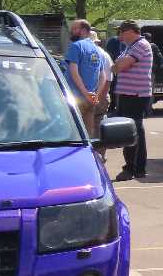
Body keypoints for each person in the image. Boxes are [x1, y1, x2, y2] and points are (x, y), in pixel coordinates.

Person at [112, 20, 154, 181]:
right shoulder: (131, 47)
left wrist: (117, 65)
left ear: (130, 31)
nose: (120, 35)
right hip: (128, 94)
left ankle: (132, 168)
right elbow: (117, 66)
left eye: (121, 31)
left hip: (135, 95)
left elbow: (119, 66)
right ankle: (136, 167)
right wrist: (117, 65)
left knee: (131, 131)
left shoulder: (140, 45)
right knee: (135, 130)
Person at [63, 19, 104, 138]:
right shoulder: (96, 49)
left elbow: (74, 72)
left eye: (74, 28)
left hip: (75, 98)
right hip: (91, 100)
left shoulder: (76, 46)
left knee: (73, 135)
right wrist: (96, 95)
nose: (71, 31)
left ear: (83, 30)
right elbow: (103, 75)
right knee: (88, 134)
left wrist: (85, 93)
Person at [89, 29, 113, 156]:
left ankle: (96, 155)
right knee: (98, 127)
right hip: (99, 95)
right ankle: (100, 156)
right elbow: (109, 79)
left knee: (92, 128)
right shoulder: (105, 55)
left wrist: (99, 97)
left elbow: (107, 79)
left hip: (96, 95)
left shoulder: (98, 55)